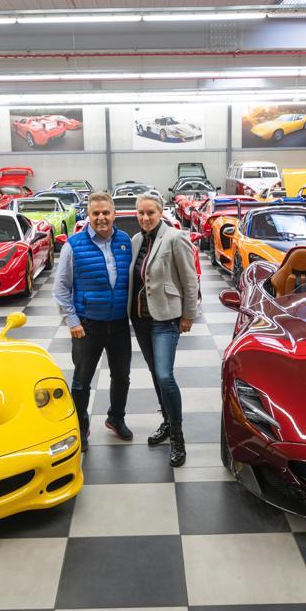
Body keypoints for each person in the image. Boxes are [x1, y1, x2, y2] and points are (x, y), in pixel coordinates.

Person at [53, 191, 134, 450]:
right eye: (96, 213)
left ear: (114, 214)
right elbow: (61, 288)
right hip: (87, 325)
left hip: (119, 322)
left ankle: (116, 418)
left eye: (105, 213)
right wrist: (72, 321)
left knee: (121, 376)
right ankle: (82, 426)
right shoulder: (73, 245)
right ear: (88, 215)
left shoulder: (125, 242)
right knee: (81, 380)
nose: (101, 218)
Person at [129, 192, 200, 467]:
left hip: (166, 319)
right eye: (141, 213)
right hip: (141, 320)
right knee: (155, 375)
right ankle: (167, 423)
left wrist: (188, 315)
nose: (145, 218)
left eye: (150, 213)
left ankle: (178, 436)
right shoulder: (137, 241)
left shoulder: (174, 237)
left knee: (164, 375)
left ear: (160, 213)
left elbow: (190, 279)